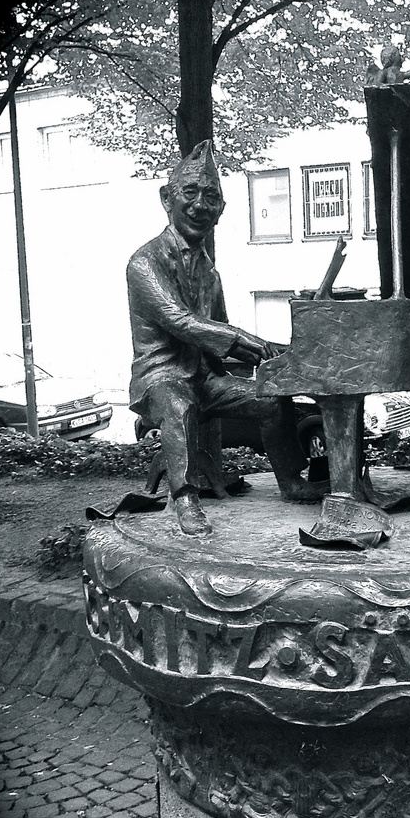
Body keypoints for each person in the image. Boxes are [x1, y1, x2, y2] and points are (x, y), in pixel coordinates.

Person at [127, 139, 324, 537]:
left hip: (205, 378)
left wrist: (281, 358)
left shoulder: (209, 272)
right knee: (179, 405)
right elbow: (181, 323)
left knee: (270, 399)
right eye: (191, 193)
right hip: (160, 378)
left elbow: (222, 333)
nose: (201, 205)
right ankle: (184, 500)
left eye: (212, 198)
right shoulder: (143, 262)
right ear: (167, 198)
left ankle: (292, 482)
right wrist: (247, 340)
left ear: (221, 210)